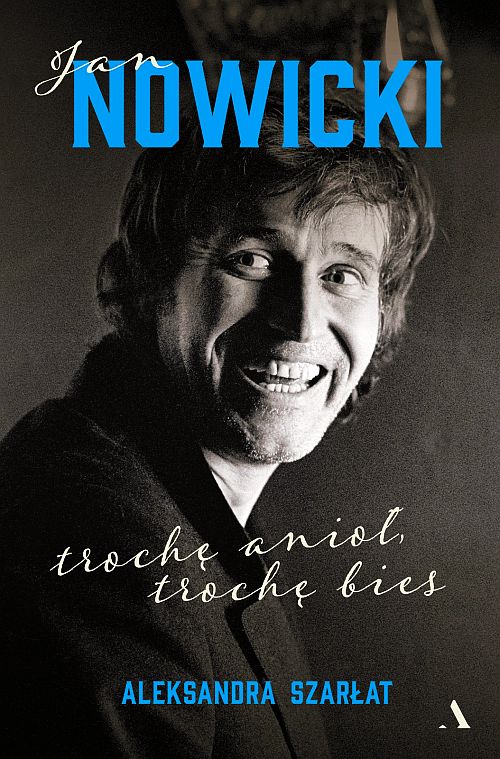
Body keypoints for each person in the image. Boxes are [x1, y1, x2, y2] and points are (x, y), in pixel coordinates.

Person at [0, 93, 434, 758]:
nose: (301, 321)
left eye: (342, 274)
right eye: (252, 259)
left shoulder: (188, 524)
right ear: (150, 283)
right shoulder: (96, 538)